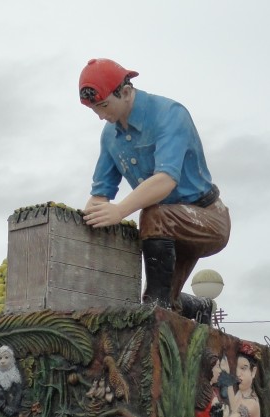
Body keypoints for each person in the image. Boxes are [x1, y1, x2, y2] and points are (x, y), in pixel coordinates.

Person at [78, 58, 231, 321]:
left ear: (125, 93)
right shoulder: (110, 135)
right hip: (165, 233)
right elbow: (100, 194)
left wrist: (120, 211)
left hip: (206, 217)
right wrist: (86, 218)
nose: (101, 115)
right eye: (95, 110)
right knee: (167, 300)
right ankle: (196, 307)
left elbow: (165, 180)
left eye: (103, 106)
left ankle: (155, 309)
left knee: (153, 214)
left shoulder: (170, 114)